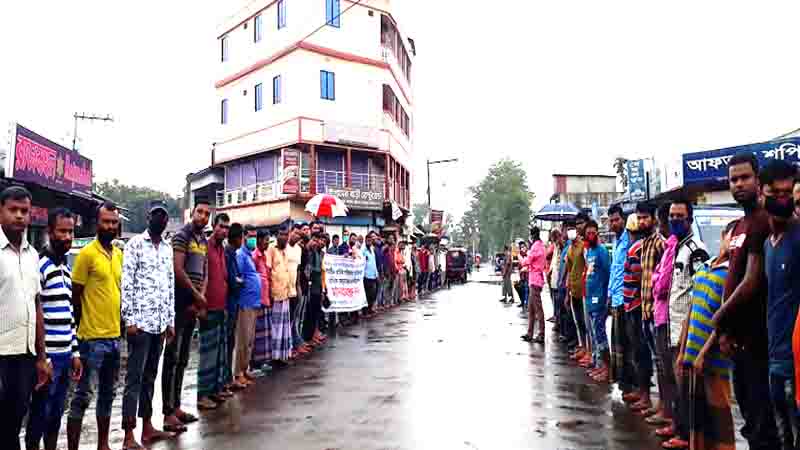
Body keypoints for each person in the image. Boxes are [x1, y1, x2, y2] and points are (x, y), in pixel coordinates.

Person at [712, 152, 781, 450]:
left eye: (745, 177)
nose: (738, 184)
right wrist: (726, 331)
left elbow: (751, 281)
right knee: (750, 420)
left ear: (758, 179)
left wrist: (719, 319)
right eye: (733, 179)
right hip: (739, 341)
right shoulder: (740, 225)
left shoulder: (763, 220)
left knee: (763, 425)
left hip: (758, 341)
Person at [651, 198, 709, 444]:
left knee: (685, 384)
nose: (674, 220)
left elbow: (698, 292)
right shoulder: (676, 248)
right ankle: (677, 426)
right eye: (672, 216)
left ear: (690, 218)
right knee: (674, 381)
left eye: (679, 216)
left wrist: (688, 332)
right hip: (671, 327)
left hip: (686, 330)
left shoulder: (696, 250)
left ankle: (685, 435)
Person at [120, 200, 176, 449]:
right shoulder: (134, 245)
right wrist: (129, 320)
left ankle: (147, 427)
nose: (160, 220)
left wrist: (170, 321)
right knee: (134, 378)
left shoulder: (167, 248)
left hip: (160, 324)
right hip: (140, 325)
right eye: (156, 215)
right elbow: (127, 284)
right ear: (148, 217)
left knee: (150, 377)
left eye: (163, 216)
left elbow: (169, 285)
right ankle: (128, 435)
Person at [67, 201, 123, 450]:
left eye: (114, 222)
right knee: (82, 397)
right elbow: (76, 296)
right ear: (96, 223)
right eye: (106, 221)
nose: (110, 226)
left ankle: (103, 445)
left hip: (114, 337)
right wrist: (82, 328)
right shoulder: (86, 254)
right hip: (91, 339)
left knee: (108, 395)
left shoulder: (118, 254)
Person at [0, 187, 51, 450]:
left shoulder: (32, 255)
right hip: (1, 355)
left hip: (25, 356)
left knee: (14, 422)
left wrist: (41, 357)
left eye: (24, 211)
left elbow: (36, 304)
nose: (19, 216)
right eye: (13, 210)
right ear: (1, 211)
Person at [677, 222, 736, 450]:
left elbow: (723, 321)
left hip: (714, 358)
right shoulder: (704, 267)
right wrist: (683, 350)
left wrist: (703, 354)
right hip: (693, 354)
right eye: (731, 237)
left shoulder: (731, 274)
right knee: (697, 416)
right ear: (723, 236)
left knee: (719, 417)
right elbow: (691, 310)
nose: (733, 243)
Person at [26, 208, 80, 450]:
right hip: (47, 359)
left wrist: (75, 353)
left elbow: (70, 316)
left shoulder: (66, 270)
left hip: (65, 357)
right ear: (49, 232)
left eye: (71, 231)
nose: (67, 236)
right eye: (62, 231)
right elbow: (33, 315)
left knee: (56, 416)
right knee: (39, 416)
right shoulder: (40, 266)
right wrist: (43, 358)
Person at [760, 159, 800, 450]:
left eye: (788, 193)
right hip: (774, 357)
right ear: (762, 193)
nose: (782, 200)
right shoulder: (767, 244)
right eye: (776, 193)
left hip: (795, 361)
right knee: (783, 436)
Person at [162, 198, 210, 432]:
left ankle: (177, 406)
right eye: (200, 212)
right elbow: (178, 270)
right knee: (171, 357)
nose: (203, 217)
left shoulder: (203, 239)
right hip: (180, 304)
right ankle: (167, 412)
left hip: (194, 304)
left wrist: (201, 296)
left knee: (183, 358)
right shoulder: (182, 236)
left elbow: (205, 271)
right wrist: (196, 295)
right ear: (192, 213)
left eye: (207, 214)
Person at [621, 203, 654, 415]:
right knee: (638, 351)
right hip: (632, 304)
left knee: (642, 352)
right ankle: (642, 392)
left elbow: (641, 277)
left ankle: (645, 395)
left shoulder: (638, 248)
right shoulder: (638, 247)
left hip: (637, 305)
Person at [198, 213, 232, 409]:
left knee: (220, 352)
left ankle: (216, 389)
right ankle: (203, 395)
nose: (224, 231)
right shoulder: (205, 246)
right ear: (213, 226)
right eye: (221, 226)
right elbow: (201, 277)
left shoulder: (222, 249)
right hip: (208, 307)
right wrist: (201, 305)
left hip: (221, 307)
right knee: (208, 354)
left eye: (226, 227)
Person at [608, 207, 633, 391]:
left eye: (616, 220)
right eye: (611, 221)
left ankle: (631, 384)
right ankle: (622, 382)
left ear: (623, 220)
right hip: (616, 298)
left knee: (627, 344)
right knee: (617, 342)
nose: (613, 223)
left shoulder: (629, 240)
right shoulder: (616, 242)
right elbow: (614, 270)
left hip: (626, 299)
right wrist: (609, 294)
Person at [583, 220, 611, 383]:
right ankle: (599, 364)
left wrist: (606, 298)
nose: (591, 235)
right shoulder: (589, 251)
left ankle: (606, 368)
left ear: (597, 233)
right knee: (594, 333)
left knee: (600, 334)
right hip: (590, 298)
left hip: (599, 299)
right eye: (588, 233)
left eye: (593, 233)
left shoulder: (602, 251)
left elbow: (607, 274)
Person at [234, 227, 261, 386]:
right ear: (244, 237)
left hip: (253, 302)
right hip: (245, 303)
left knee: (250, 340)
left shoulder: (249, 255)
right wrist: (244, 283)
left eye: (255, 236)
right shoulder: (240, 255)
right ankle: (238, 373)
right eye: (251, 236)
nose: (253, 239)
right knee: (243, 341)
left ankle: (244, 370)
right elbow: (236, 277)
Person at [266, 228, 294, 365]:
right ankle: (274, 357)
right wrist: (269, 293)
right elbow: (268, 271)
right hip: (275, 295)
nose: (284, 237)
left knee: (284, 327)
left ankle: (282, 355)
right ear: (277, 236)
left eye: (286, 235)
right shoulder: (271, 249)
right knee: (275, 328)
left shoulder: (285, 251)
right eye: (281, 234)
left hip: (285, 293)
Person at [565, 214, 590, 365]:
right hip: (573, 289)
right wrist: (567, 291)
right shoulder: (570, 248)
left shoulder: (584, 246)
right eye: (568, 229)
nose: (570, 231)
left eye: (572, 228)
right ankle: (583, 347)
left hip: (584, 290)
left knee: (587, 323)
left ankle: (589, 351)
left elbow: (588, 266)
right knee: (578, 321)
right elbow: (569, 270)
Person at [224, 224, 245, 391]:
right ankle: (226, 380)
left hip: (233, 302)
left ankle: (228, 378)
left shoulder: (232, 253)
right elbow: (233, 279)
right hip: (229, 303)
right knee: (227, 342)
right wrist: (239, 281)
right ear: (237, 238)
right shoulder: (229, 254)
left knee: (230, 342)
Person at [251, 230, 272, 372]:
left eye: (268, 241)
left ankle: (262, 361)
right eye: (265, 240)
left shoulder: (263, 256)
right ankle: (255, 364)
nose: (267, 243)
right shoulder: (254, 256)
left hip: (265, 299)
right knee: (257, 335)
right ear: (258, 240)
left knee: (264, 334)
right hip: (257, 300)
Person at [522, 227, 547, 344]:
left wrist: (522, 258)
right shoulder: (541, 246)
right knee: (531, 309)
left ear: (532, 235)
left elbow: (527, 261)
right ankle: (530, 333)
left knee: (538, 309)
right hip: (536, 279)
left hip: (535, 280)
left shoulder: (535, 247)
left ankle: (541, 334)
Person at [363, 232, 379, 316]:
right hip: (366, 276)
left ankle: (370, 308)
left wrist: (376, 274)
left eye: (370, 241)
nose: (369, 242)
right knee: (367, 294)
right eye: (367, 241)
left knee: (373, 293)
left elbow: (374, 263)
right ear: (365, 241)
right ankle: (365, 311)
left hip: (373, 275)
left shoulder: (372, 250)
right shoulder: (363, 250)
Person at [517, 242, 529, 309]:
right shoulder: (519, 255)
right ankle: (522, 302)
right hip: (522, 275)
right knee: (521, 289)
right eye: (521, 247)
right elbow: (519, 265)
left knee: (526, 289)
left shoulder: (528, 254)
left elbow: (528, 264)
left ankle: (526, 303)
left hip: (527, 275)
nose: (523, 248)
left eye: (524, 247)